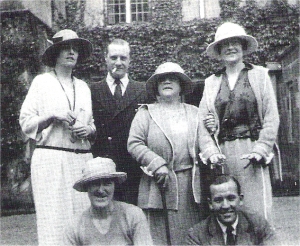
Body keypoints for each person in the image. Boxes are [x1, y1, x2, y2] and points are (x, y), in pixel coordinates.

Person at [19, 29, 96, 245]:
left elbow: (92, 125)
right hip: (51, 160)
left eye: (75, 49)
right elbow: (26, 122)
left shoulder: (82, 87)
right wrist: (53, 116)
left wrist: (88, 130)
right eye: (66, 48)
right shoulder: (41, 83)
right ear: (55, 53)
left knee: (84, 220)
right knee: (54, 222)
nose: (72, 52)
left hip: (81, 159)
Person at [198, 22, 279, 223]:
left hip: (252, 150)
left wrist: (261, 149)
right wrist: (211, 152)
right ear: (219, 50)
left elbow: (271, 117)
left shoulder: (260, 75)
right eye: (225, 44)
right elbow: (201, 124)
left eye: (235, 42)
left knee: (256, 209)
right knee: (227, 209)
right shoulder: (211, 82)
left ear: (243, 46)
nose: (230, 47)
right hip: (223, 154)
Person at [127, 62, 202, 245]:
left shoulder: (195, 112)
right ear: (156, 87)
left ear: (181, 85)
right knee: (158, 237)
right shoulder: (145, 113)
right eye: (162, 79)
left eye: (173, 78)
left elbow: (206, 142)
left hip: (189, 188)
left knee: (191, 237)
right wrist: (156, 163)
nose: (167, 81)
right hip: (157, 185)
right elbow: (134, 143)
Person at [91, 39, 150, 205]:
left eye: (123, 58)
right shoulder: (92, 90)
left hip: (133, 169)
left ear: (129, 60)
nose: (118, 62)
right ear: (106, 59)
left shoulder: (143, 90)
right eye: (114, 57)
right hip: (104, 170)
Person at [63, 157, 153, 245]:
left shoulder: (132, 216)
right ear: (86, 187)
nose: (101, 190)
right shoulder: (75, 225)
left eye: (107, 183)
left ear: (114, 186)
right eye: (95, 184)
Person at [186, 175, 278, 245]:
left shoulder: (258, 225)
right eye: (218, 200)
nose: (225, 206)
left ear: (240, 199)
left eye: (231, 198)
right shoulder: (196, 235)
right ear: (210, 204)